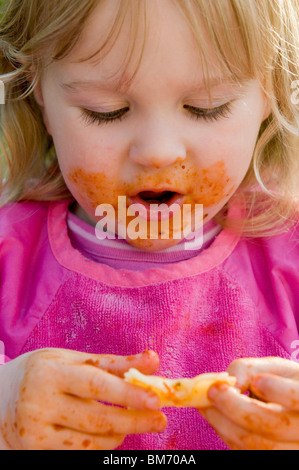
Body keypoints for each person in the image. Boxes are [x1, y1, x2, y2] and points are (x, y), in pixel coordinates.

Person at [0, 0, 299, 451]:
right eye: (106, 111)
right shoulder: (9, 260)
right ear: (38, 92)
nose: (158, 152)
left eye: (206, 108)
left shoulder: (288, 258)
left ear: (269, 94)